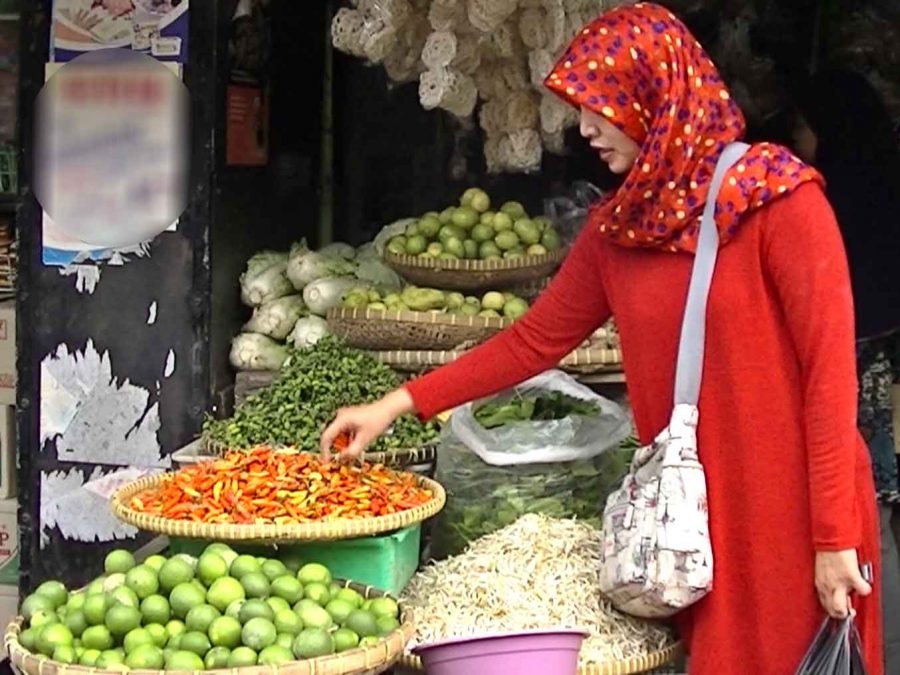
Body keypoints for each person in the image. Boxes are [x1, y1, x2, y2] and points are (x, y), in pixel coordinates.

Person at [321, 4, 883, 673]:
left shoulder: (776, 200)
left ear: (657, 95)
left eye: (601, 104)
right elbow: (533, 341)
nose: (584, 126)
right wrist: (398, 403)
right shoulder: (620, 229)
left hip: (793, 515)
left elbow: (829, 375)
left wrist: (832, 536)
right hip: (690, 526)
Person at [792, 67, 900, 673]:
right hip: (881, 349)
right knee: (877, 481)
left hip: (857, 356)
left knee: (862, 481)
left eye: (803, 130)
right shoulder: (879, 176)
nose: (800, 143)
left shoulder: (833, 200)